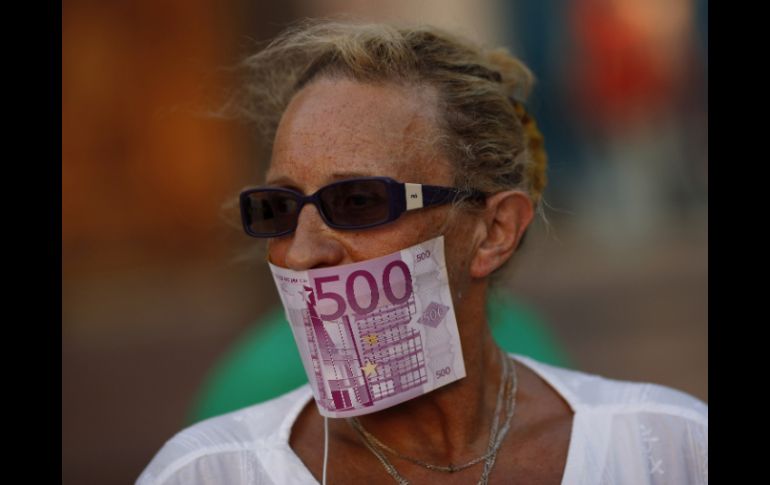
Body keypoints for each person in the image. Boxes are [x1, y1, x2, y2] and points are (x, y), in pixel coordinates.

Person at [137, 19, 707, 485]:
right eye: (278, 208)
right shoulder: (210, 472)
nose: (302, 253)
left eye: (357, 201)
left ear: (494, 231)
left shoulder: (668, 448)